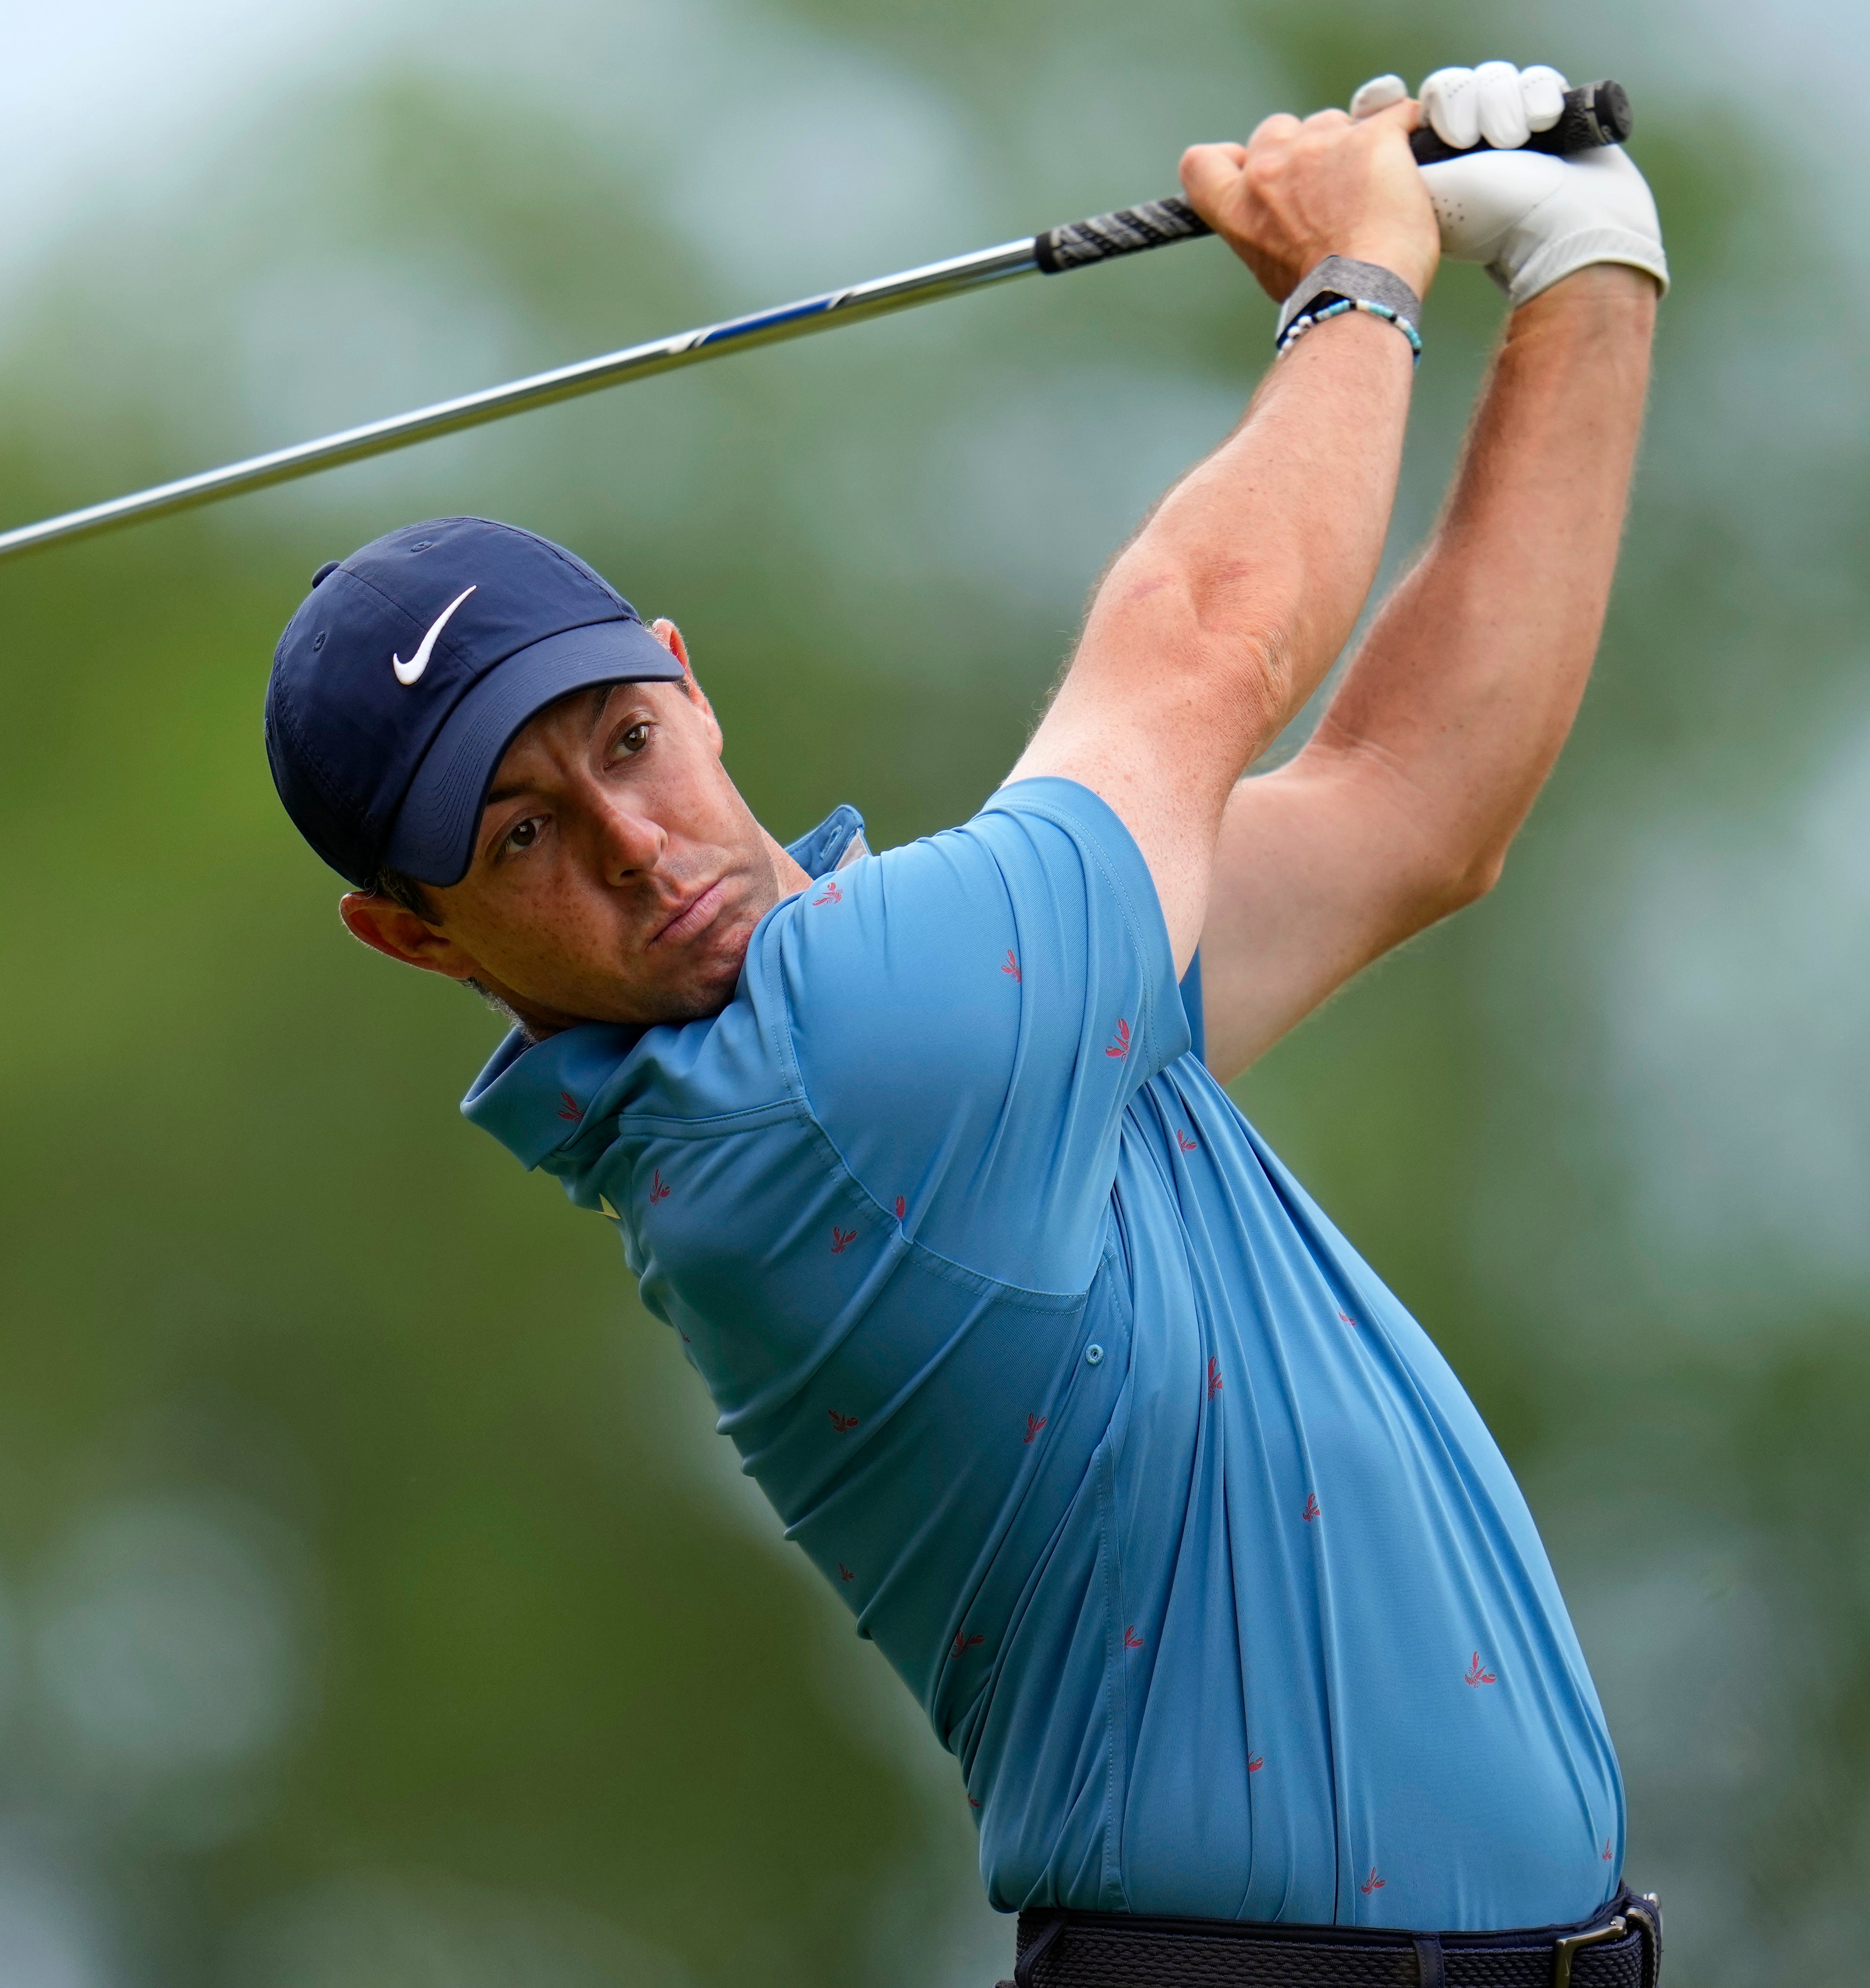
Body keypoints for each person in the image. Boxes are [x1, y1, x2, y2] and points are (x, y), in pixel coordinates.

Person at [261, 60, 1668, 1988]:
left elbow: (1415, 806)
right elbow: (1201, 634)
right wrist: (1354, 278)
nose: (628, 838)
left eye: (621, 741)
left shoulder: (987, 1020)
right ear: (412, 939)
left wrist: (1583, 266)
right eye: (518, 833)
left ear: (682, 679)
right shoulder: (832, 1072)